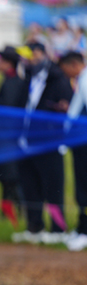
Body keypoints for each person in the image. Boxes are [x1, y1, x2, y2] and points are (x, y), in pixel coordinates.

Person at [12, 41, 72, 244]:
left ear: (41, 55)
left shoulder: (58, 78)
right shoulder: (27, 78)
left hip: (49, 143)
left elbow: (66, 106)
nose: (28, 60)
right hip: (26, 142)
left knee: (53, 186)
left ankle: (57, 229)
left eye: (31, 56)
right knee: (30, 185)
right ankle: (34, 227)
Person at [0, 46, 26, 219]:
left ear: (7, 63)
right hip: (5, 137)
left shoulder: (12, 82)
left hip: (9, 137)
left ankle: (20, 210)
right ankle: (6, 212)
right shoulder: (8, 80)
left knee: (11, 177)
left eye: (0, 60)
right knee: (5, 178)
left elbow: (8, 109)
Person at [61, 51, 87, 251]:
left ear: (73, 65)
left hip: (84, 145)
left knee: (84, 187)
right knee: (81, 186)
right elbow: (74, 111)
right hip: (80, 144)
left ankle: (84, 231)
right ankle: (81, 227)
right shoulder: (82, 80)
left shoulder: (85, 81)